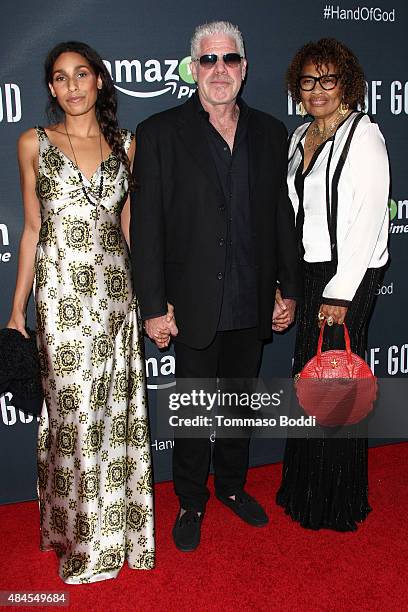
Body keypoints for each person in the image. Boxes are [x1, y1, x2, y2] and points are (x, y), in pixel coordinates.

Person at [131, 21, 300, 552]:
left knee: (238, 406)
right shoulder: (160, 132)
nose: (220, 69)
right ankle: (190, 499)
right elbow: (147, 226)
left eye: (230, 59)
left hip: (251, 300)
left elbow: (281, 219)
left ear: (245, 69)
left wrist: (287, 287)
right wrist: (154, 306)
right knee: (194, 410)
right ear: (193, 69)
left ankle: (230, 487)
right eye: (208, 60)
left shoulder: (272, 133)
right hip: (191, 305)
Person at [7, 41, 154, 582]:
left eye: (82, 74)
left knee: (114, 416)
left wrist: (150, 300)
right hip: (61, 296)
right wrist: (17, 310)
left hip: (115, 297)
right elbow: (30, 229)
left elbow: (130, 228)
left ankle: (120, 535)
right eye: (61, 77)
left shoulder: (127, 145)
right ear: (50, 87)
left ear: (98, 81)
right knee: (70, 419)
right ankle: (80, 540)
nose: (72, 85)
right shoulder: (33, 142)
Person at [275, 38, 390, 531]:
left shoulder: (364, 136)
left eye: (328, 80)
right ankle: (305, 487)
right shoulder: (299, 135)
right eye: (307, 80)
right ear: (296, 87)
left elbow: (366, 220)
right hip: (310, 268)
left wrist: (340, 291)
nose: (317, 90)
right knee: (310, 376)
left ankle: (335, 498)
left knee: (339, 380)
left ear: (347, 84)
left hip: (349, 272)